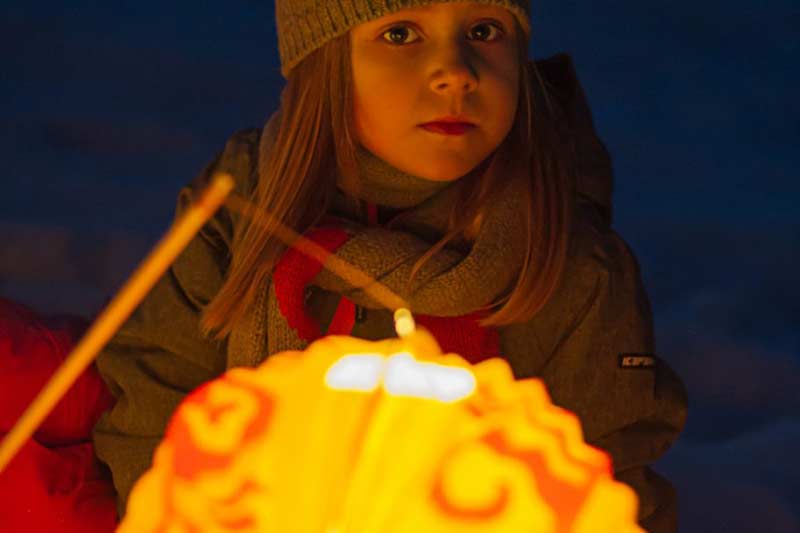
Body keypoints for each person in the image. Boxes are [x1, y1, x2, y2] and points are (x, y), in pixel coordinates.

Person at [92, 1, 688, 532]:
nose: (455, 71)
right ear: (325, 60)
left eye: (484, 30)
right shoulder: (242, 203)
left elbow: (605, 478)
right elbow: (156, 404)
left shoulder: (567, 261)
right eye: (401, 33)